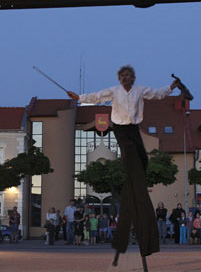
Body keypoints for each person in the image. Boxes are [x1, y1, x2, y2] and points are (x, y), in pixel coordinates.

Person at [68, 65, 181, 258]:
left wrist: (172, 86)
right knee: (129, 153)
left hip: (134, 128)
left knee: (143, 159)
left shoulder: (140, 90)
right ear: (120, 78)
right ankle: (135, 178)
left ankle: (136, 181)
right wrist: (79, 98)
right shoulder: (114, 91)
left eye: (129, 75)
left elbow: (157, 94)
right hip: (120, 129)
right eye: (123, 75)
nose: (126, 78)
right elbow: (97, 97)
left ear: (133, 78)